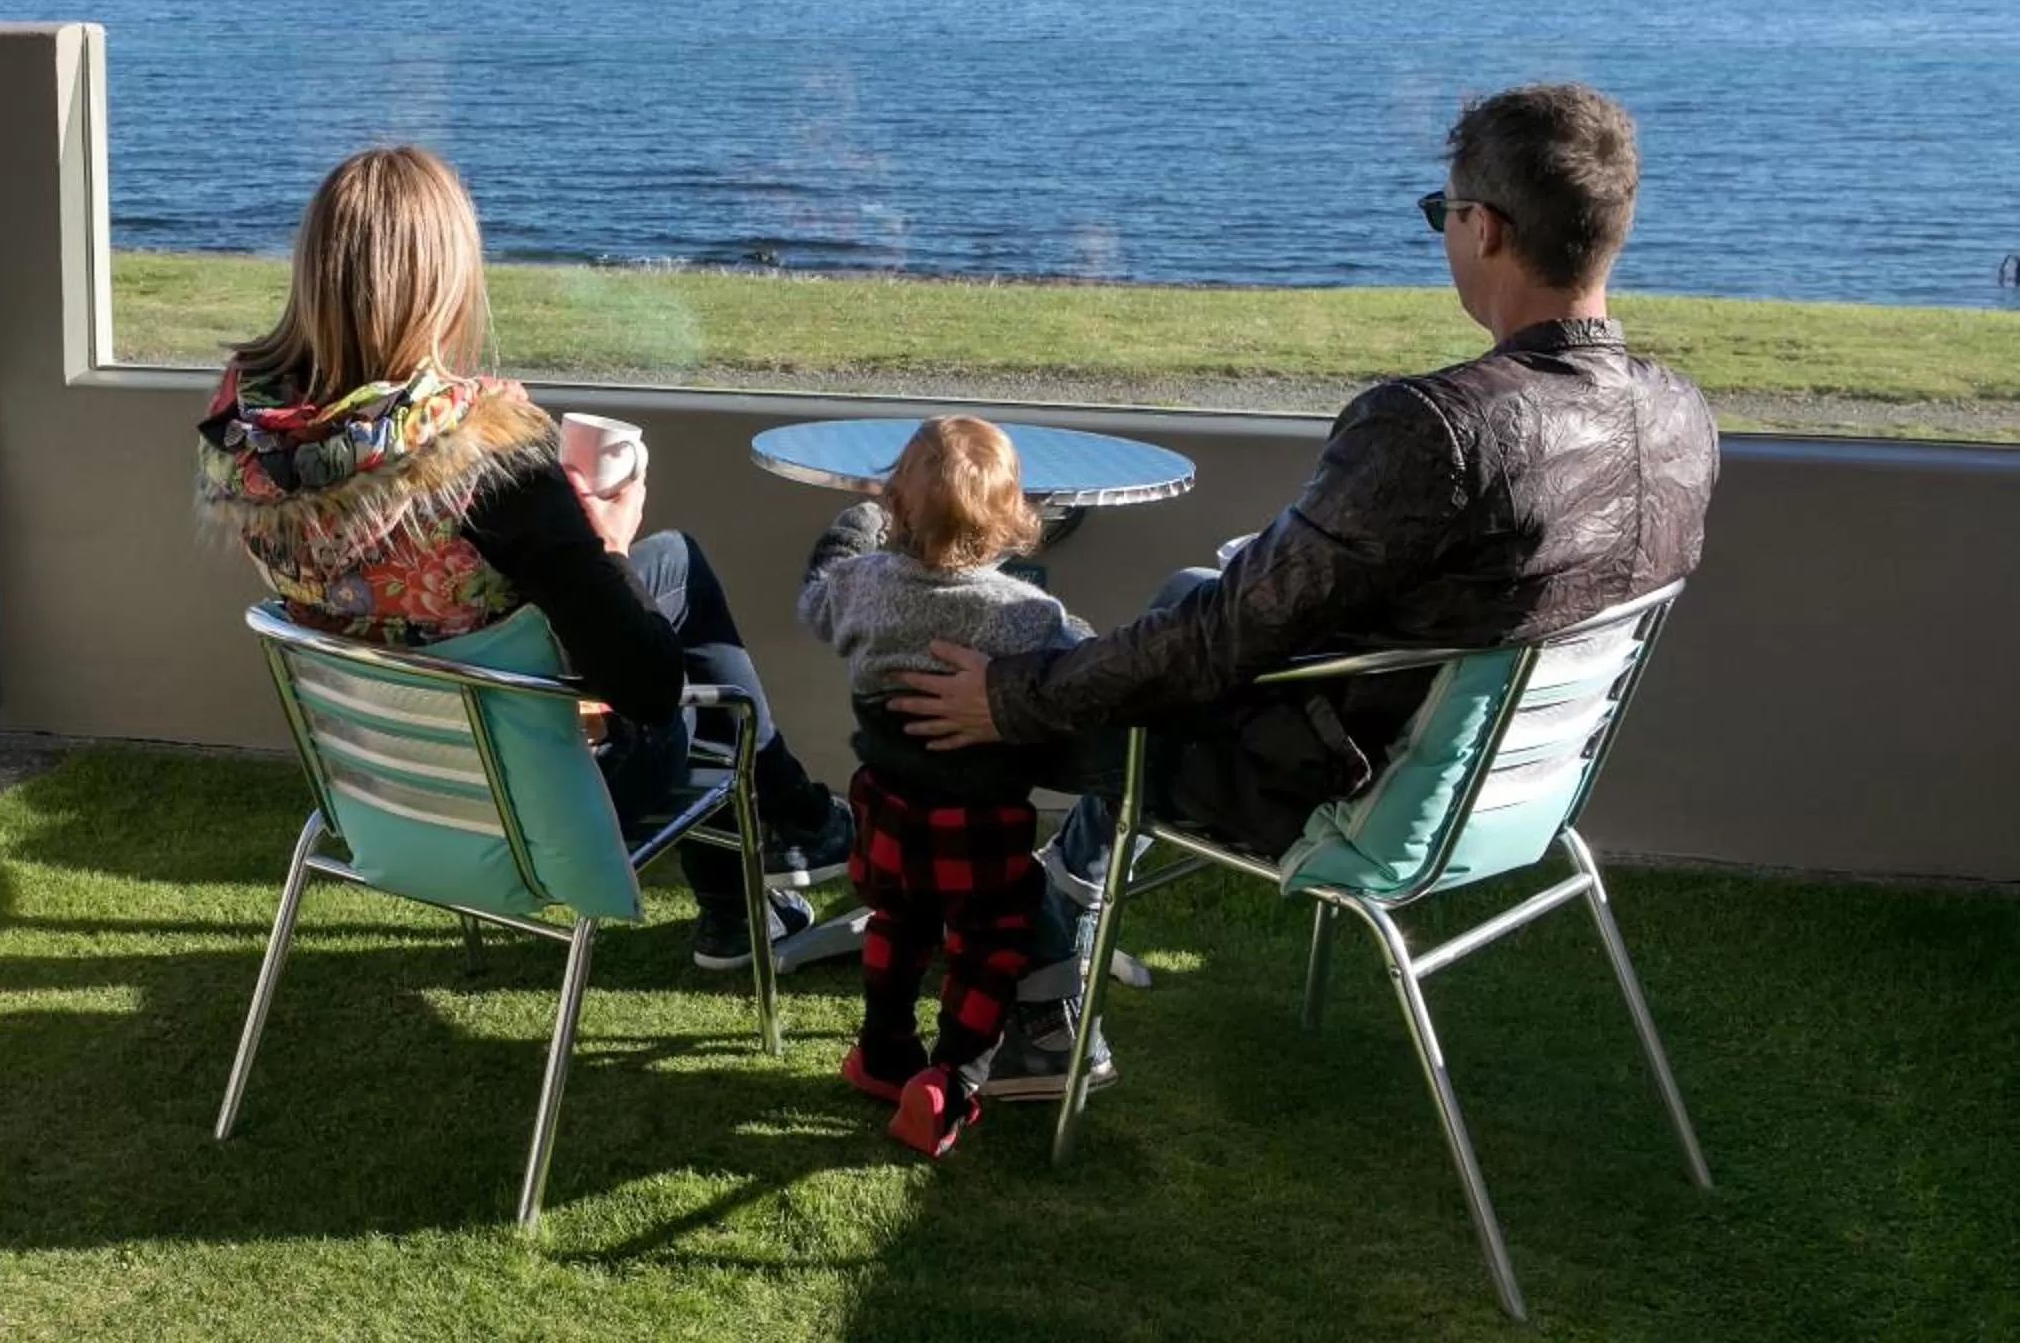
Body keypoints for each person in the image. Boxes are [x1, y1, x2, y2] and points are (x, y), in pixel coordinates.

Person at [890, 82, 1721, 1064]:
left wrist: (1016, 697)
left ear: (1486, 228)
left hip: (1353, 791)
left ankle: (1023, 975)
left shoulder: (1434, 424)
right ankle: (1054, 921)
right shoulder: (1680, 414)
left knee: (1095, 690)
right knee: (1180, 606)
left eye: (1441, 215)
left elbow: (1224, 638)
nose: (1445, 236)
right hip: (1517, 794)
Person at [197, 144, 855, 970]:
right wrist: (604, 542)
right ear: (443, 279)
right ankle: (779, 851)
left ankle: (787, 844)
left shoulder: (246, 434)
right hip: (528, 806)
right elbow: (647, 691)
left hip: (378, 789)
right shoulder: (483, 454)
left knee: (673, 564)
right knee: (702, 679)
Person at [798, 416, 1092, 1158]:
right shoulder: (1027, 615)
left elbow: (815, 597)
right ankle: (952, 1077)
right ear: (1013, 520)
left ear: (896, 504)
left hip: (889, 811)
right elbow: (1088, 667)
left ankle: (883, 1052)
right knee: (988, 946)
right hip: (982, 827)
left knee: (896, 926)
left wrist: (853, 523)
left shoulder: (861, 587)